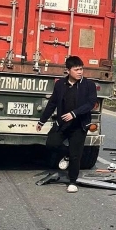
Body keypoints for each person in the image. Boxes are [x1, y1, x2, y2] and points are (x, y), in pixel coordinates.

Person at [37, 56, 98, 193]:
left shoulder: (89, 85)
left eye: (81, 69)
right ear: (68, 70)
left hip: (79, 125)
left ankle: (72, 181)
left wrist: (74, 113)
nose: (80, 72)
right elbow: (52, 103)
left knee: (76, 154)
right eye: (76, 70)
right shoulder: (60, 84)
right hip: (62, 124)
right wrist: (42, 120)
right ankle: (67, 154)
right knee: (51, 144)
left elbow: (91, 103)